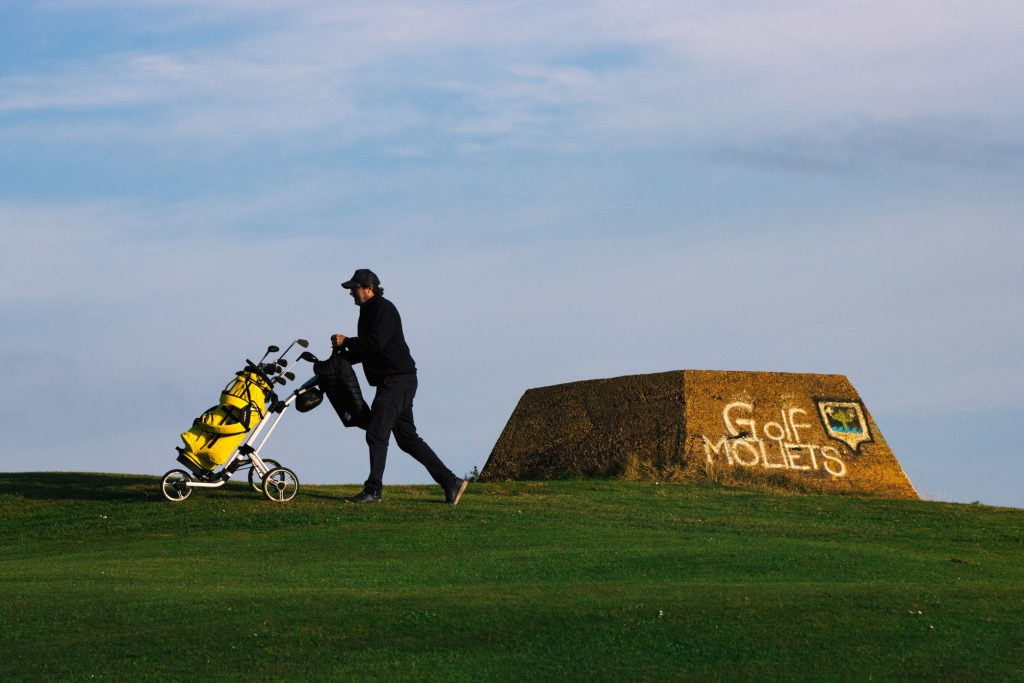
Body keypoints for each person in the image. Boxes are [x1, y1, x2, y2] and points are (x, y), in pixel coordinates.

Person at [331, 268, 467, 506]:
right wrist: (342, 359)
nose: (351, 293)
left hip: (397, 380)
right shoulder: (368, 311)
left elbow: (374, 343)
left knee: (376, 431)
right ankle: (451, 482)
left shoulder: (383, 308)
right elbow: (369, 349)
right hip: (397, 380)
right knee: (406, 439)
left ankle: (373, 490)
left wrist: (347, 342)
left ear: (368, 287)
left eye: (354, 288)